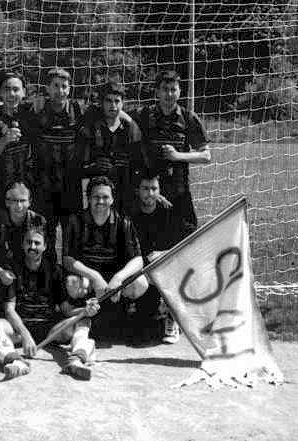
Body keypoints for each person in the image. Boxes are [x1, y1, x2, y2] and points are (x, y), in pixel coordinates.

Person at [0, 227, 100, 379]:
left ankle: (77, 359)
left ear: (45, 246)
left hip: (50, 331)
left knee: (83, 320)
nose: (32, 246)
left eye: (37, 243)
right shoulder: (13, 268)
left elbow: (66, 310)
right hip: (20, 330)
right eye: (29, 242)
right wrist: (26, 335)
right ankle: (14, 361)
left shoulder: (55, 271)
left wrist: (85, 310)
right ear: (23, 244)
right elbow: (9, 310)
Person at [62, 176, 149, 339]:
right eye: (96, 197)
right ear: (88, 198)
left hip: (114, 277)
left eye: (105, 197)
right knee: (72, 283)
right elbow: (67, 259)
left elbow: (138, 259)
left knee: (140, 283)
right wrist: (94, 276)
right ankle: (84, 311)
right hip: (89, 278)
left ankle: (126, 310)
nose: (100, 201)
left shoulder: (123, 221)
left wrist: (119, 278)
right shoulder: (75, 220)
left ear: (112, 199)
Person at [137, 70, 211, 233]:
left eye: (173, 89)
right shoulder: (144, 115)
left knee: (187, 239)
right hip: (151, 195)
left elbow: (206, 156)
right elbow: (120, 114)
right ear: (157, 92)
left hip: (179, 193)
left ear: (180, 92)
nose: (169, 94)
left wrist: (178, 156)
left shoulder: (188, 118)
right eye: (165, 89)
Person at [131, 172, 195, 344]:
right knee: (144, 319)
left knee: (178, 269)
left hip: (167, 267)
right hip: (144, 271)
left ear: (160, 191)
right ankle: (152, 309)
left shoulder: (169, 213)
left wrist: (163, 254)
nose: (150, 193)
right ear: (137, 191)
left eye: (154, 189)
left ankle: (172, 317)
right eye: (145, 189)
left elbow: (187, 243)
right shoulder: (132, 216)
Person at [33, 68, 86, 228]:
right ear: (47, 88)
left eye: (64, 86)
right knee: (44, 232)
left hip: (70, 186)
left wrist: (131, 122)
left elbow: (109, 112)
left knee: (72, 233)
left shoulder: (78, 109)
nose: (60, 91)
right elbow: (3, 105)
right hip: (44, 185)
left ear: (69, 89)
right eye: (55, 86)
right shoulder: (37, 108)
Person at [82, 82, 145, 215]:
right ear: (101, 102)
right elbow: (80, 167)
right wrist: (93, 167)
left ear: (123, 103)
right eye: (108, 101)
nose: (113, 105)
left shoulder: (131, 130)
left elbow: (138, 165)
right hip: (97, 195)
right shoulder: (91, 129)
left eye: (117, 101)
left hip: (124, 193)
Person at [0, 71, 38, 211]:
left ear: (24, 92)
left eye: (16, 89)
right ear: (0, 92)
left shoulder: (30, 115)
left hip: (25, 193)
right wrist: (4, 140)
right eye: (7, 89)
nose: (11, 94)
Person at [0, 181, 54, 289]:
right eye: (14, 201)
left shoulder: (39, 221)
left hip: (31, 270)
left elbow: (48, 254)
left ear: (30, 202)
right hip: (4, 272)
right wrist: (1, 272)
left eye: (23, 200)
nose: (19, 206)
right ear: (7, 202)